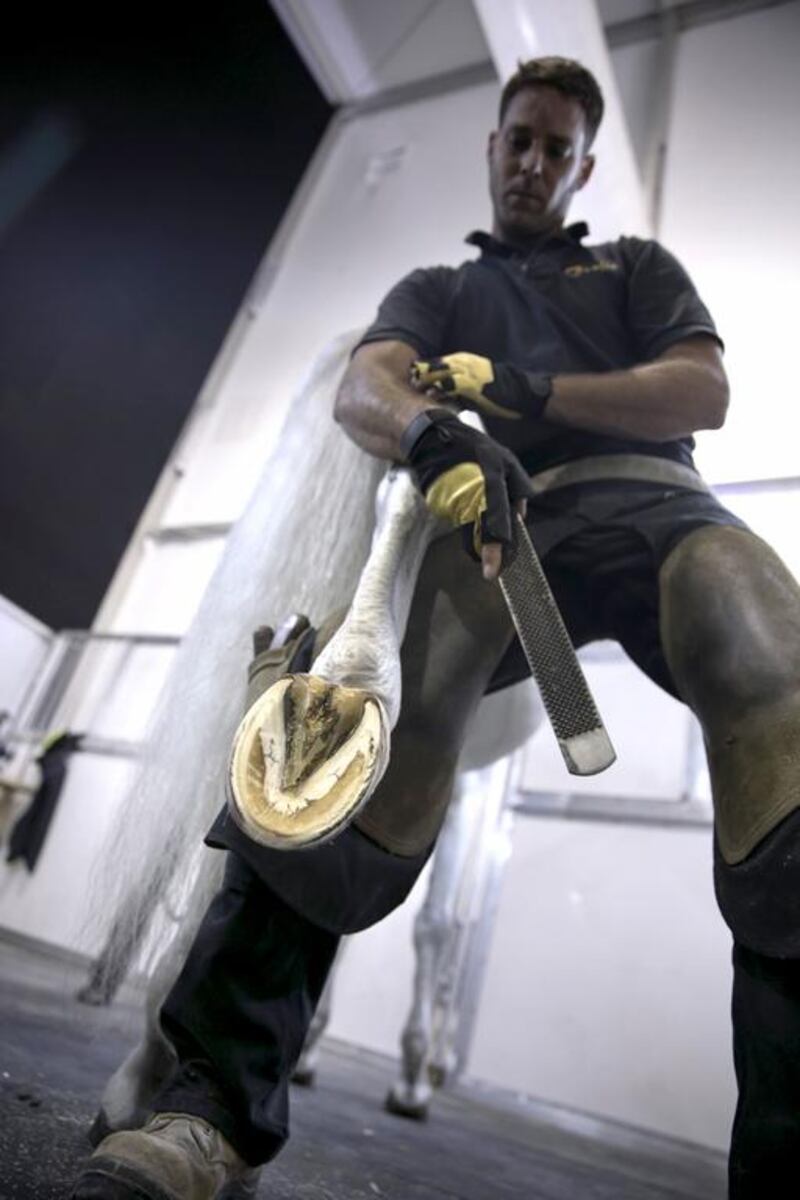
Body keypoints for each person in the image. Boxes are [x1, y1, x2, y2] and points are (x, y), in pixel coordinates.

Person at [71, 56, 800, 1200]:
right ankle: (208, 1108)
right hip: (511, 518)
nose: (531, 162)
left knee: (780, 689)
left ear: (581, 167)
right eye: (517, 138)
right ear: (491, 142)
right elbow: (362, 385)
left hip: (660, 507)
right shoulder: (438, 287)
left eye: (555, 149)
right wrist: (423, 436)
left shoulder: (633, 268)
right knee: (342, 725)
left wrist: (518, 386)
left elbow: (696, 393)